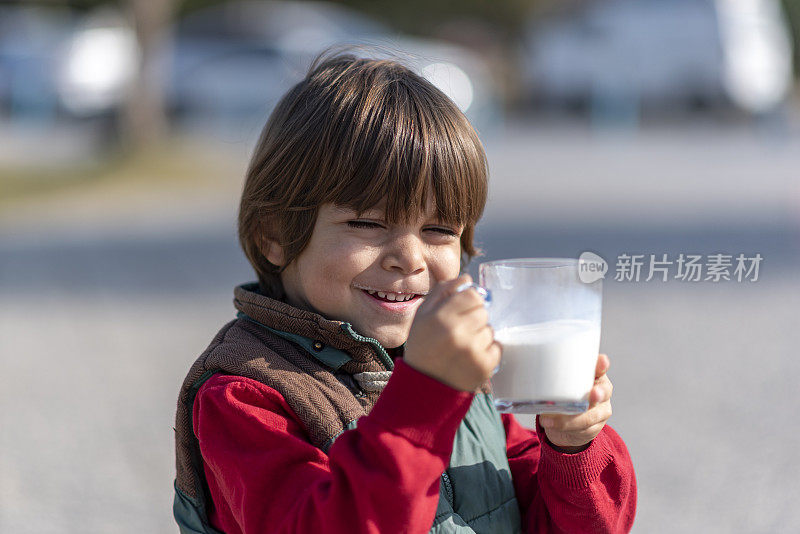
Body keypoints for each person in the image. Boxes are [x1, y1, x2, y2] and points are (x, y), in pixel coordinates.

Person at [173, 52, 637, 534]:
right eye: (367, 223)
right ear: (273, 233)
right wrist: (425, 397)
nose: (409, 258)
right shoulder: (247, 396)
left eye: (438, 230)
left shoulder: (467, 383)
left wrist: (571, 448)